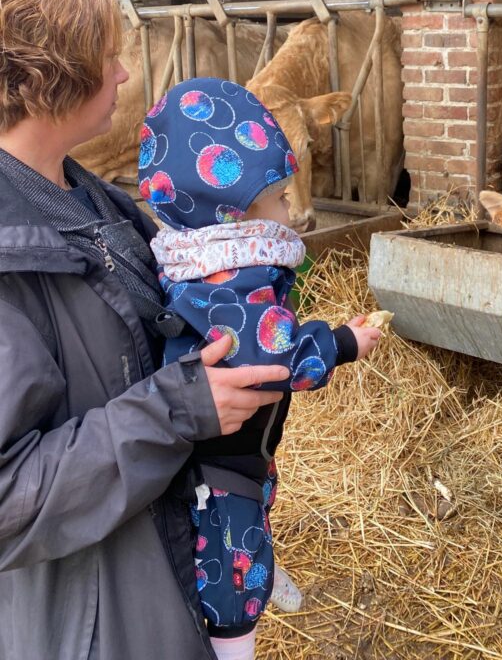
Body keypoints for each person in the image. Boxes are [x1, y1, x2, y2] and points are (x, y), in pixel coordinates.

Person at [0, 0, 293, 660]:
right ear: (49, 76)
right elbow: (9, 498)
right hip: (90, 622)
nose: (125, 72)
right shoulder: (9, 252)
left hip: (157, 579)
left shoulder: (96, 202)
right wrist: (183, 409)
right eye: (107, 54)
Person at [139, 77, 382, 660]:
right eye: (278, 198)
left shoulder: (194, 257)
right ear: (237, 211)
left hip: (213, 460)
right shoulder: (238, 280)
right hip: (226, 473)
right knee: (234, 579)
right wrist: (344, 341)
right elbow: (278, 363)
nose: (289, 210)